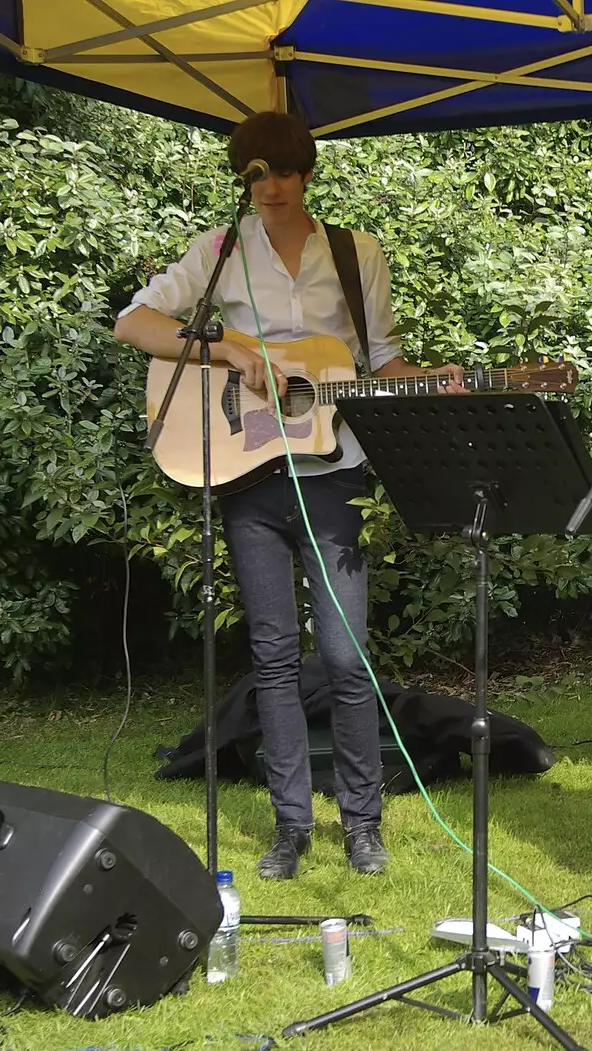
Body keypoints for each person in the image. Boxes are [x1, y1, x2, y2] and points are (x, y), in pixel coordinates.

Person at [115, 111, 467, 880]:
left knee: (346, 656)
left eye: (280, 172)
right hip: (247, 471)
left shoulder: (354, 253)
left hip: (335, 469)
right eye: (254, 175)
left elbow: (381, 360)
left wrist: (431, 381)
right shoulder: (218, 252)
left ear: (306, 174)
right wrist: (232, 350)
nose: (268, 187)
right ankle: (289, 826)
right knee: (273, 658)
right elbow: (134, 323)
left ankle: (362, 821)